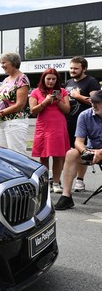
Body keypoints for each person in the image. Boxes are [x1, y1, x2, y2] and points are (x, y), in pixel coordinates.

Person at [55, 90, 102, 210]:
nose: (93, 105)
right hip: (92, 151)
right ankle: (66, 197)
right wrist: (85, 152)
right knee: (71, 153)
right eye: (92, 101)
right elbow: (78, 142)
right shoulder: (85, 115)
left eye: (97, 102)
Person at [29, 69, 70, 193]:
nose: (51, 81)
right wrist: (45, 102)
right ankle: (45, 182)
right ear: (43, 79)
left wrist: (59, 101)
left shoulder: (62, 92)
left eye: (54, 79)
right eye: (48, 79)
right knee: (44, 155)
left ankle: (56, 182)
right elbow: (33, 111)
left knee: (59, 156)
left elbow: (67, 110)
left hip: (58, 126)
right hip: (44, 127)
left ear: (57, 80)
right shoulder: (36, 92)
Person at [64, 56, 101, 192]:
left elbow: (96, 100)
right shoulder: (68, 82)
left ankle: (80, 180)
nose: (72, 71)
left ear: (84, 69)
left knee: (82, 149)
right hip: (70, 121)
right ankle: (67, 185)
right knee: (71, 151)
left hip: (88, 122)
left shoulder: (91, 82)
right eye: (71, 68)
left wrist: (78, 97)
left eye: (76, 68)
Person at [0, 52, 30, 154]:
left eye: (4, 62)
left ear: (13, 63)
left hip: (15, 122)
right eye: (1, 63)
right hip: (1, 122)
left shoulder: (22, 78)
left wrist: (1, 113)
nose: (2, 65)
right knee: (5, 155)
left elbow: (20, 104)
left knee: (17, 155)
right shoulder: (5, 80)